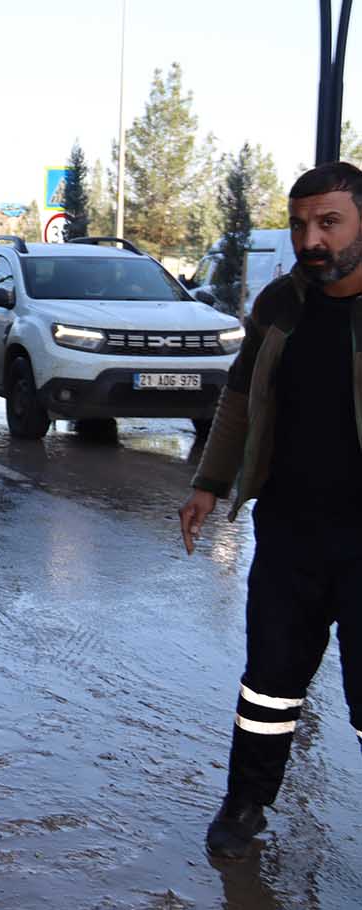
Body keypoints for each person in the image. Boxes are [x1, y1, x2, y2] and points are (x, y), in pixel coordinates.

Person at [180, 161, 362, 860]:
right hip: (289, 531)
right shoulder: (280, 304)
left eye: (329, 223)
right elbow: (237, 398)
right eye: (300, 224)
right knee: (270, 685)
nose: (311, 239)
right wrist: (210, 483)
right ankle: (245, 805)